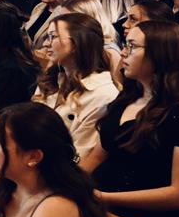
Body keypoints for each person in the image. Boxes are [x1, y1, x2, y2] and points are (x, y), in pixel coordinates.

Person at [81, 20, 179, 217]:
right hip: (111, 214)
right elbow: (97, 156)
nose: (123, 52)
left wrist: (104, 198)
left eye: (132, 46)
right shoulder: (126, 99)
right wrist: (69, 184)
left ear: (160, 54)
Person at [36, 13, 118, 158]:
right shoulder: (53, 79)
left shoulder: (103, 94)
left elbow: (81, 154)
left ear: (76, 44)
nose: (46, 44)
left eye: (53, 37)